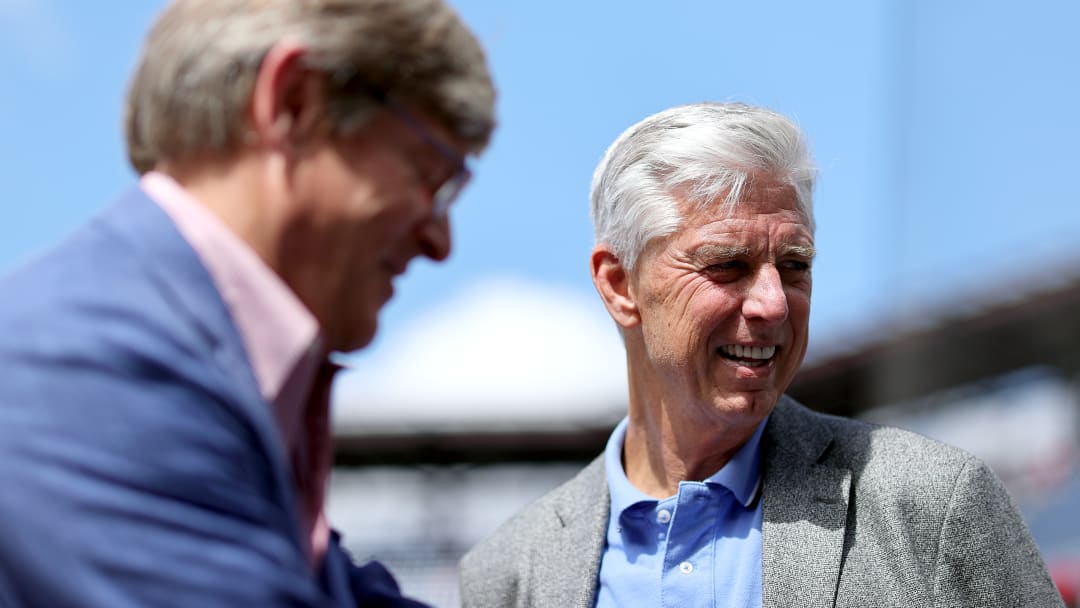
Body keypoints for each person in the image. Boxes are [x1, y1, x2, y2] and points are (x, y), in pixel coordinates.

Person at [459, 102, 1063, 607]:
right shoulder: (511, 573)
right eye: (727, 265)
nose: (775, 304)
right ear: (620, 285)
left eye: (795, 266)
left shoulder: (929, 504)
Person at [0, 0, 494, 606]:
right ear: (294, 104)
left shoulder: (176, 359)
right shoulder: (90, 367)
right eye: (431, 177)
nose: (439, 241)